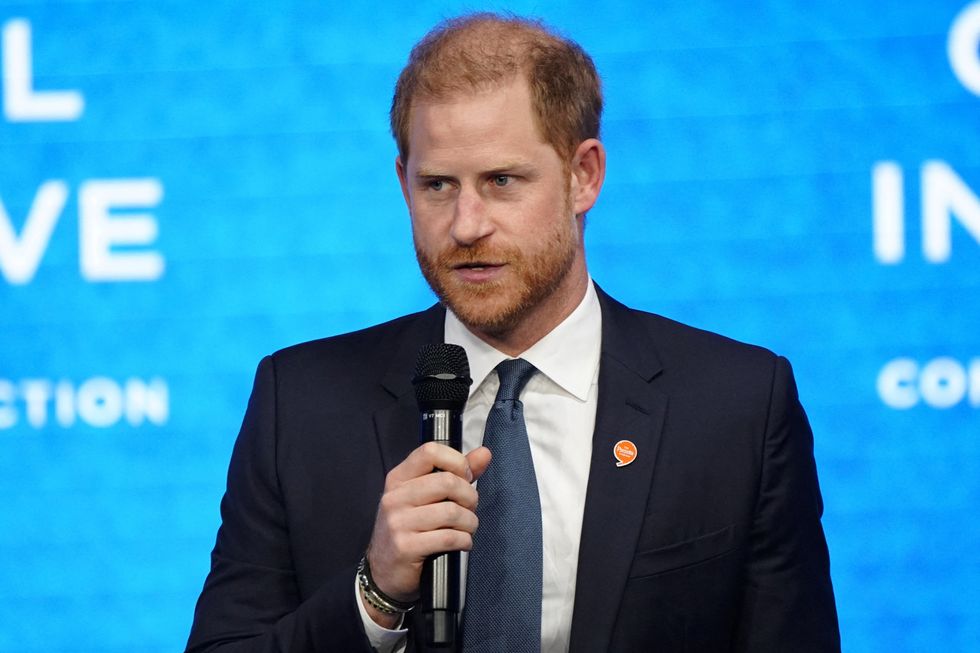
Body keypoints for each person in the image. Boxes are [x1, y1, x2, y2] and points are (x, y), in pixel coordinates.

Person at [186, 12, 840, 653]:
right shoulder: (298, 404)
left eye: (502, 181)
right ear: (401, 183)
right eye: (437, 184)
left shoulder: (737, 408)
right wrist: (375, 592)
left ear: (584, 175)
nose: (466, 225)